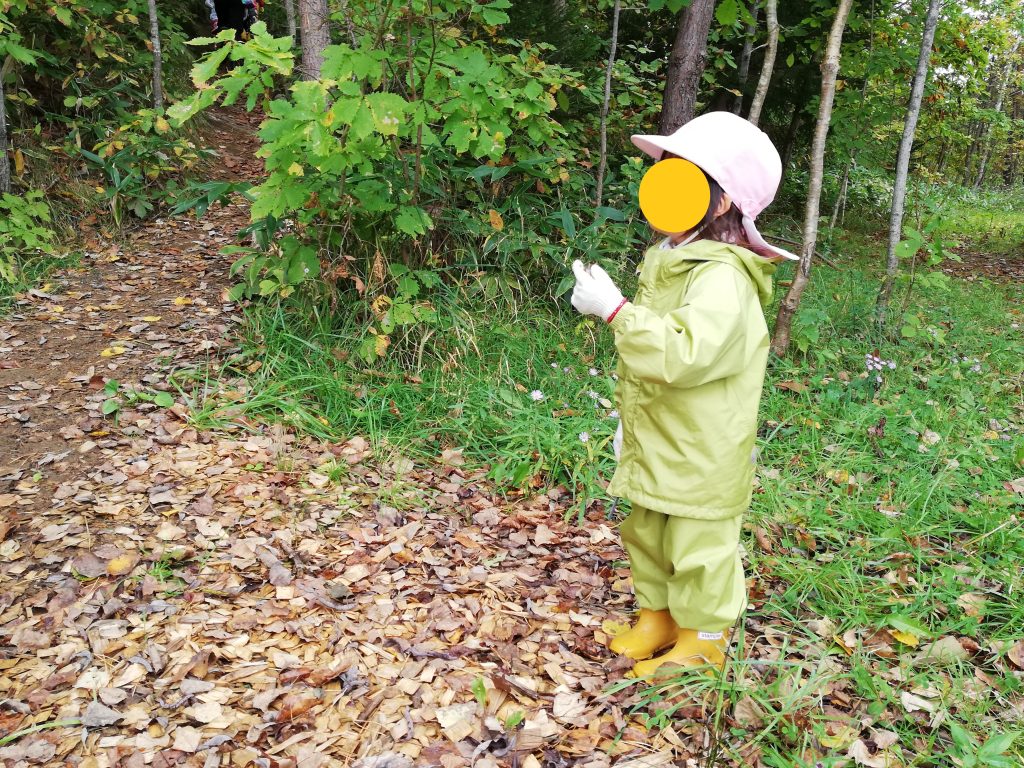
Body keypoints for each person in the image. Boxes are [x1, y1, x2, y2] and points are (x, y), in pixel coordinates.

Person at [570, 111, 797, 677]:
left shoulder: (723, 277)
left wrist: (616, 312)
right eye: (665, 174)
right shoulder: (673, 258)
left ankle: (703, 639)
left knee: (698, 544)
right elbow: (655, 361)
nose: (662, 187)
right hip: (660, 434)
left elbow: (683, 354)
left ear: (720, 202)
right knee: (647, 531)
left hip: (702, 447)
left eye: (682, 177)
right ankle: (659, 618)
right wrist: (632, 419)